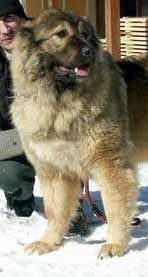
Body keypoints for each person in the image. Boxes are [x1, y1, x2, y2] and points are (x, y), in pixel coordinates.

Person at [0, 0, 88, 235]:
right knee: (11, 174)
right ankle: (20, 196)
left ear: (23, 20)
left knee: (65, 150)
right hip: (12, 139)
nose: (4, 28)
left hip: (58, 130)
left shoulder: (49, 48)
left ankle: (73, 208)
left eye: (9, 18)